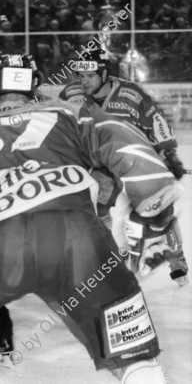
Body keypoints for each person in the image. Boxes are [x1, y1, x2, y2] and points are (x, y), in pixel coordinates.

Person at [0, 53, 176, 384]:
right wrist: (153, 209)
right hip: (78, 237)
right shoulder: (69, 113)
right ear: (33, 90)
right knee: (128, 352)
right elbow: (125, 144)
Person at [59, 47, 188, 286]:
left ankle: (177, 259)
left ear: (104, 73)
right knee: (95, 205)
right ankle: (104, 257)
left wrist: (168, 154)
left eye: (90, 75)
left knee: (159, 208)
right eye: (80, 76)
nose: (83, 81)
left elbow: (156, 120)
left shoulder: (130, 93)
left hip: (135, 160)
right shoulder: (71, 94)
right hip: (102, 161)